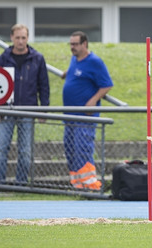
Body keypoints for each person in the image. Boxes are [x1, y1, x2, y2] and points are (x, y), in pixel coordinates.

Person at [0, 24, 50, 184]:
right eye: (17, 38)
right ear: (11, 38)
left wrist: (43, 110)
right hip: (6, 110)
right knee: (1, 148)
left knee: (25, 151)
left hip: (28, 110)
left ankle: (21, 183)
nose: (20, 41)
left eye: (23, 38)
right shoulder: (3, 58)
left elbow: (44, 86)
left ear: (28, 38)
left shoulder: (38, 58)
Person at [62, 31, 113, 190]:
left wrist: (93, 100)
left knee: (83, 148)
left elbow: (107, 85)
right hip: (69, 116)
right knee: (70, 148)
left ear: (85, 44)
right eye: (71, 44)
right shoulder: (74, 59)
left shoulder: (95, 62)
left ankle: (91, 185)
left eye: (75, 44)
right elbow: (79, 73)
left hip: (84, 116)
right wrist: (67, 73)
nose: (72, 47)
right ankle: (77, 184)